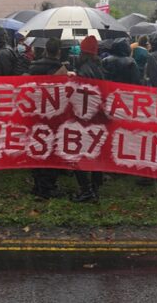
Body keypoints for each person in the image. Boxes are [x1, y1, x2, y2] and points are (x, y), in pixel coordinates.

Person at [25, 38, 68, 199]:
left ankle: (38, 184)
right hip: (53, 116)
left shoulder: (33, 67)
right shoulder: (60, 69)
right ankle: (48, 186)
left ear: (45, 50)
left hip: (36, 113)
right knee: (51, 149)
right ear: (58, 52)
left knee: (37, 147)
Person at [72, 36, 104, 202]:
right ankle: (96, 185)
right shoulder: (98, 68)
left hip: (85, 116)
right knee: (94, 150)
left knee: (76, 152)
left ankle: (86, 190)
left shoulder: (83, 69)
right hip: (96, 115)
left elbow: (81, 94)